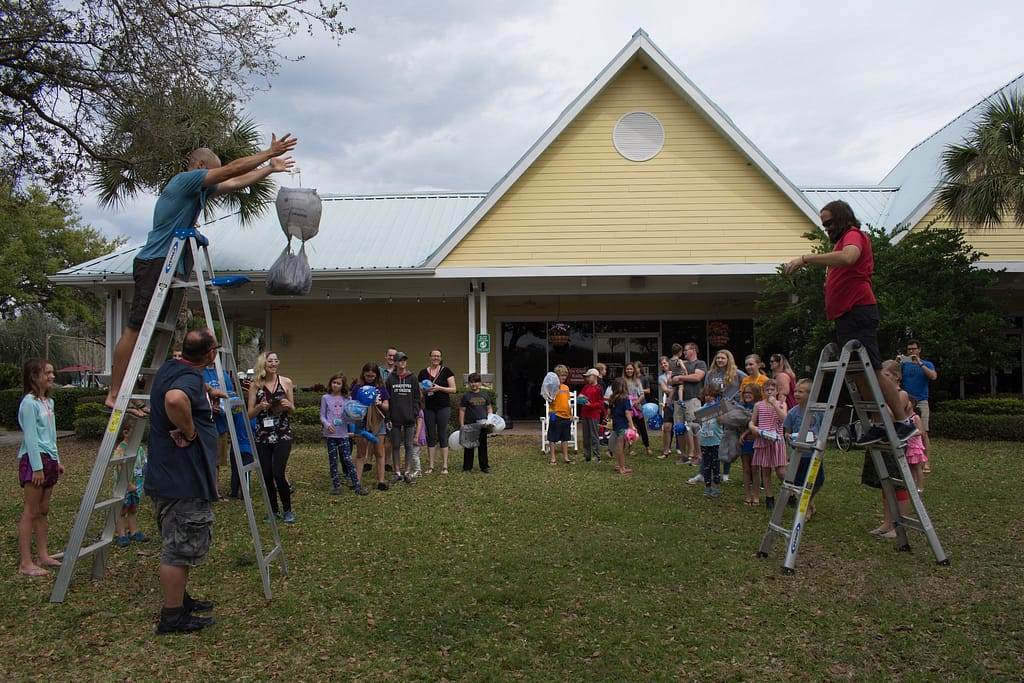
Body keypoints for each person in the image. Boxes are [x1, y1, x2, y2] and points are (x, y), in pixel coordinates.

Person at [104, 135, 297, 411]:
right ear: (202, 165)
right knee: (136, 329)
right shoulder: (184, 180)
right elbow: (231, 171)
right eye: (211, 172)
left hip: (172, 266)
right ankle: (114, 392)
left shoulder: (199, 192)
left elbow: (233, 182)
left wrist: (268, 169)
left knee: (155, 333)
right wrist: (268, 153)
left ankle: (137, 393)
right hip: (156, 262)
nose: (213, 178)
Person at [785, 199, 915, 445]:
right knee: (858, 374)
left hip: (859, 311)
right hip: (845, 315)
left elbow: (849, 257)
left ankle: (902, 422)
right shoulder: (841, 242)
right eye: (824, 225)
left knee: (874, 371)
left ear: (843, 218)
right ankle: (879, 423)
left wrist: (805, 259)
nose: (827, 228)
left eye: (830, 223)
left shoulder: (854, 236)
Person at [145, 328, 220, 634]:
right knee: (178, 548)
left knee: (179, 542)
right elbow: (175, 399)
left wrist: (207, 398)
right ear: (210, 355)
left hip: (168, 475)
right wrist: (190, 432)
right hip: (182, 479)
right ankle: (173, 616)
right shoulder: (187, 380)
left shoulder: (172, 367)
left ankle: (180, 599)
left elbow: (178, 391)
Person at [17, 358, 65, 577]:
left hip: (49, 459)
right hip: (34, 460)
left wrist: (56, 461)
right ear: (34, 377)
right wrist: (37, 467)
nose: (52, 376)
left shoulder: (49, 402)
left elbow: (51, 436)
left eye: (52, 372)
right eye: (47, 373)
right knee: (31, 510)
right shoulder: (28, 403)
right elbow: (31, 437)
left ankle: (43, 555)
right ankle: (25, 563)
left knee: (43, 509)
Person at [247, 351, 296, 523]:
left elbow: (293, 408)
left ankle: (288, 509)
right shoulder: (255, 385)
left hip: (282, 433)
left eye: (276, 360)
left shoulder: (286, 382)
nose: (273, 364)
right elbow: (249, 414)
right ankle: (273, 510)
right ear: (263, 364)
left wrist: (287, 405)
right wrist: (261, 406)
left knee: (278, 473)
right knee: (266, 474)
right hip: (263, 435)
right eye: (270, 361)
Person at [202, 361, 251, 501]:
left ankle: (215, 491)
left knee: (216, 460)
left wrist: (225, 407)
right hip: (202, 424)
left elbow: (229, 396)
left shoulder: (223, 375)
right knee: (202, 460)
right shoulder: (198, 373)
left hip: (220, 425)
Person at [782, 378, 824, 521]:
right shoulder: (793, 412)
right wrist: (788, 436)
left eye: (801, 391)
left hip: (814, 454)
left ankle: (810, 500)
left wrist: (819, 437)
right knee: (800, 484)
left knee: (817, 482)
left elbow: (825, 428)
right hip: (799, 455)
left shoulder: (818, 411)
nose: (797, 394)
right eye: (796, 391)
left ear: (811, 394)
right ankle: (805, 509)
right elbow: (787, 431)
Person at [704, 349, 747, 482]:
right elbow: (706, 390)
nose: (720, 360)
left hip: (729, 408)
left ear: (728, 359)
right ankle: (705, 472)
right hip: (713, 409)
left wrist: (739, 400)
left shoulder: (737, 374)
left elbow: (747, 387)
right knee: (709, 439)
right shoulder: (711, 374)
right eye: (718, 358)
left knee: (727, 439)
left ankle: (726, 473)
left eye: (723, 358)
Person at [320, 372, 366, 496]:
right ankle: (336, 486)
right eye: (333, 382)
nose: (335, 385)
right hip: (331, 434)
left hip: (343, 434)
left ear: (342, 385)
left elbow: (349, 418)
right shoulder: (325, 398)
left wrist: (357, 417)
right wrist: (327, 424)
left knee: (347, 460)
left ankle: (357, 484)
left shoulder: (347, 399)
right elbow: (322, 416)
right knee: (333, 460)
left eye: (338, 383)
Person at [749, 378, 787, 510]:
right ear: (763, 391)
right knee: (765, 470)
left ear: (777, 391)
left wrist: (775, 405)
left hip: (777, 440)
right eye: (767, 390)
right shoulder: (758, 405)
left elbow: (784, 420)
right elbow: (752, 422)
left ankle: (789, 492)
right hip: (763, 439)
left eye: (772, 390)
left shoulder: (781, 404)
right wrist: (754, 429)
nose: (770, 392)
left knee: (780, 471)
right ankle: (769, 497)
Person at [351, 362, 391, 490]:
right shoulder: (358, 387)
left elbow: (387, 406)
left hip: (378, 422)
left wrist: (378, 402)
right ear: (363, 374)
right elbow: (352, 404)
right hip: (361, 422)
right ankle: (357, 481)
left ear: (376, 375)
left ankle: (381, 481)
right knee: (360, 453)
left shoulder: (381, 388)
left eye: (372, 376)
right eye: (367, 376)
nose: (370, 378)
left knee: (379, 452)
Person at [899, 340, 937, 471]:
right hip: (906, 401)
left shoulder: (927, 364)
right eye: (909, 349)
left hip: (921, 401)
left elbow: (933, 376)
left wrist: (919, 363)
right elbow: (893, 377)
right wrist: (897, 362)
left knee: (923, 432)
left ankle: (926, 462)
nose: (911, 352)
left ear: (919, 350)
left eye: (913, 349)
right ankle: (908, 459)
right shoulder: (904, 365)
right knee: (904, 431)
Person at [418, 349, 456, 474]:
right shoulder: (423, 373)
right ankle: (431, 465)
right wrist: (424, 390)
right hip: (429, 408)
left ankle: (445, 465)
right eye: (434, 356)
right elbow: (420, 392)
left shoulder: (446, 371)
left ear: (441, 358)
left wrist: (439, 388)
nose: (436, 358)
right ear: (429, 357)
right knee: (431, 436)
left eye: (438, 356)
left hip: (443, 407)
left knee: (442, 434)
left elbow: (453, 389)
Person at [385, 351, 421, 484]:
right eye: (399, 360)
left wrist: (415, 413)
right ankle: (397, 472)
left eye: (404, 360)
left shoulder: (412, 377)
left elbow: (417, 397)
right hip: (394, 419)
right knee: (395, 445)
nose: (402, 362)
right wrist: (387, 418)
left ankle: (407, 472)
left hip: (409, 419)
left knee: (408, 445)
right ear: (395, 362)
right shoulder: (390, 379)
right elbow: (386, 399)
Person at [670, 342, 707, 465]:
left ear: (694, 350)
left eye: (686, 350)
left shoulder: (700, 363)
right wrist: (674, 379)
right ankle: (683, 455)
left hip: (693, 399)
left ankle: (699, 455)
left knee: (695, 427)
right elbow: (670, 380)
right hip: (678, 400)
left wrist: (680, 378)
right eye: (684, 350)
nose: (684, 352)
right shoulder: (679, 363)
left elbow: (697, 377)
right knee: (679, 427)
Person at [113, 423, 149, 546]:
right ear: (126, 433)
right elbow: (119, 467)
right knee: (122, 509)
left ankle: (134, 532)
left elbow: (144, 463)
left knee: (133, 508)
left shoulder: (138, 448)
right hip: (124, 487)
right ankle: (121, 534)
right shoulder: (120, 449)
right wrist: (127, 484)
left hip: (137, 485)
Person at [459, 372, 494, 473]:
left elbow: (489, 408)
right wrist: (462, 425)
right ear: (469, 383)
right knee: (469, 446)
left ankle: (485, 467)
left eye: (476, 382)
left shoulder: (485, 395)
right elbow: (462, 410)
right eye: (471, 382)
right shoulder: (466, 396)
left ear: (480, 383)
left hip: (482, 425)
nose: (474, 384)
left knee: (483, 446)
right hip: (470, 425)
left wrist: (490, 419)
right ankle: (467, 468)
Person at [697, 383, 724, 498]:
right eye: (707, 395)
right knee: (706, 465)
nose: (709, 397)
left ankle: (715, 486)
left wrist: (718, 412)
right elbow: (698, 419)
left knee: (716, 465)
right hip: (705, 441)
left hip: (716, 440)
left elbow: (721, 421)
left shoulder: (719, 407)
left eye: (711, 395)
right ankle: (707, 487)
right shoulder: (703, 409)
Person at [607, 377, 635, 475]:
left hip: (616, 424)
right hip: (623, 425)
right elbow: (628, 413)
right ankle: (622, 468)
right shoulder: (625, 398)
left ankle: (618, 464)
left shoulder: (612, 398)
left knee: (619, 446)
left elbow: (609, 412)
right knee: (621, 447)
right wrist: (632, 425)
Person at [547, 364, 574, 465]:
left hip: (566, 416)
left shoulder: (566, 388)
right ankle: (553, 458)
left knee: (565, 437)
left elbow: (568, 402)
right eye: (561, 375)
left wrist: (570, 414)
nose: (563, 377)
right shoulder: (552, 387)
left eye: (564, 376)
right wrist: (551, 410)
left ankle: (566, 458)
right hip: (555, 415)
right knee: (553, 437)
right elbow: (549, 399)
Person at [738, 384, 760, 507]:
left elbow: (758, 423)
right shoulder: (741, 407)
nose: (747, 395)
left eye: (750, 393)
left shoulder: (759, 407)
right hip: (744, 442)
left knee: (755, 469)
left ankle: (756, 496)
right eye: (745, 392)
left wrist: (747, 432)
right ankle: (747, 495)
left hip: (755, 440)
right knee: (746, 468)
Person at [623, 362, 651, 456]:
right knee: (629, 428)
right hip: (627, 407)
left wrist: (637, 401)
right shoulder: (623, 381)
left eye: (631, 369)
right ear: (625, 370)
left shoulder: (637, 381)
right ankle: (630, 448)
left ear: (633, 370)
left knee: (642, 427)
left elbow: (642, 394)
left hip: (636, 407)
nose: (629, 371)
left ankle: (647, 447)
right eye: (628, 369)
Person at [578, 368, 605, 462]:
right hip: (585, 413)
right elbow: (581, 394)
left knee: (594, 435)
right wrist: (580, 397)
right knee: (586, 435)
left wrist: (591, 405)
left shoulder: (599, 388)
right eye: (587, 377)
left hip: (594, 414)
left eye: (589, 376)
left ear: (594, 376)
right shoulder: (586, 386)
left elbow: (601, 403)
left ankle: (596, 455)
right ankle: (587, 455)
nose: (587, 379)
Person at [905, 398, 928, 493]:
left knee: (917, 467)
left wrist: (911, 433)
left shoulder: (915, 417)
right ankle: (911, 485)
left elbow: (921, 431)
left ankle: (920, 486)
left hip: (915, 446)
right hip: (908, 445)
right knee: (910, 467)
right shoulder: (904, 417)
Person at [657, 356, 676, 458]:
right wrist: (675, 390)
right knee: (667, 427)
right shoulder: (661, 377)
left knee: (682, 428)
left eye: (665, 363)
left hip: (678, 402)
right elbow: (665, 390)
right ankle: (666, 451)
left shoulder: (677, 373)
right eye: (662, 364)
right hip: (668, 403)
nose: (663, 365)